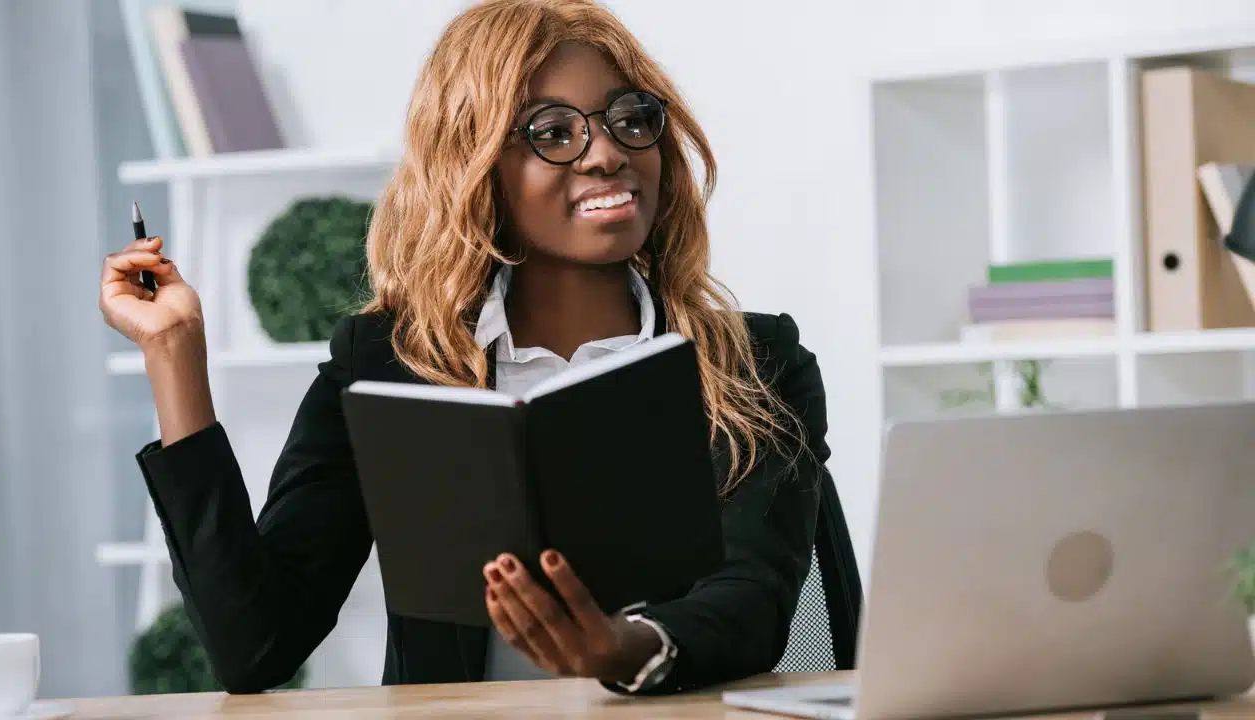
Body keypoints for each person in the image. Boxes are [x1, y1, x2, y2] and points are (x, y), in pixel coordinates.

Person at [98, 0, 844, 696]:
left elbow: (754, 601)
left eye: (629, 119)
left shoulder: (753, 360)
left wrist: (617, 649)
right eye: (554, 133)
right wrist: (175, 356)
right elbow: (253, 644)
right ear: (475, 169)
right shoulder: (388, 363)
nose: (606, 154)